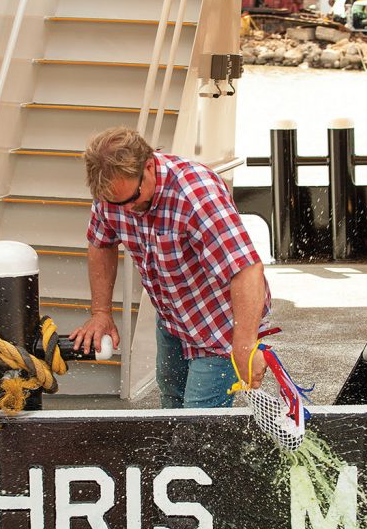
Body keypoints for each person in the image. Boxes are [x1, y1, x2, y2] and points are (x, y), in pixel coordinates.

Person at [70, 127, 271, 408]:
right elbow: (101, 242)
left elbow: (247, 269)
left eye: (132, 199)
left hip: (221, 325)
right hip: (173, 317)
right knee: (172, 405)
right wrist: (101, 312)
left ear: (149, 166)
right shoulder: (114, 193)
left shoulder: (197, 194)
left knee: (198, 423)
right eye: (117, 203)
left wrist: (246, 344)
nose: (126, 209)